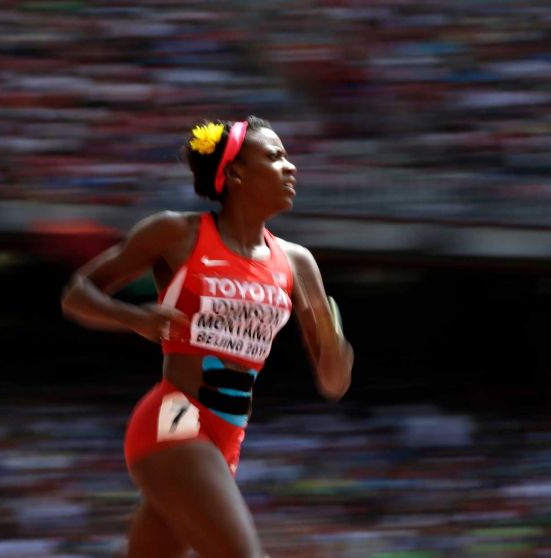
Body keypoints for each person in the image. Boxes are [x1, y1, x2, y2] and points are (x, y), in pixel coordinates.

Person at [60, 116, 354, 558]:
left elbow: (333, 384)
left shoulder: (297, 262)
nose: (291, 167)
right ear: (235, 173)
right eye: (275, 157)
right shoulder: (177, 233)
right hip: (175, 417)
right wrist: (133, 317)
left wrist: (335, 346)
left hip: (227, 442)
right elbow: (77, 294)